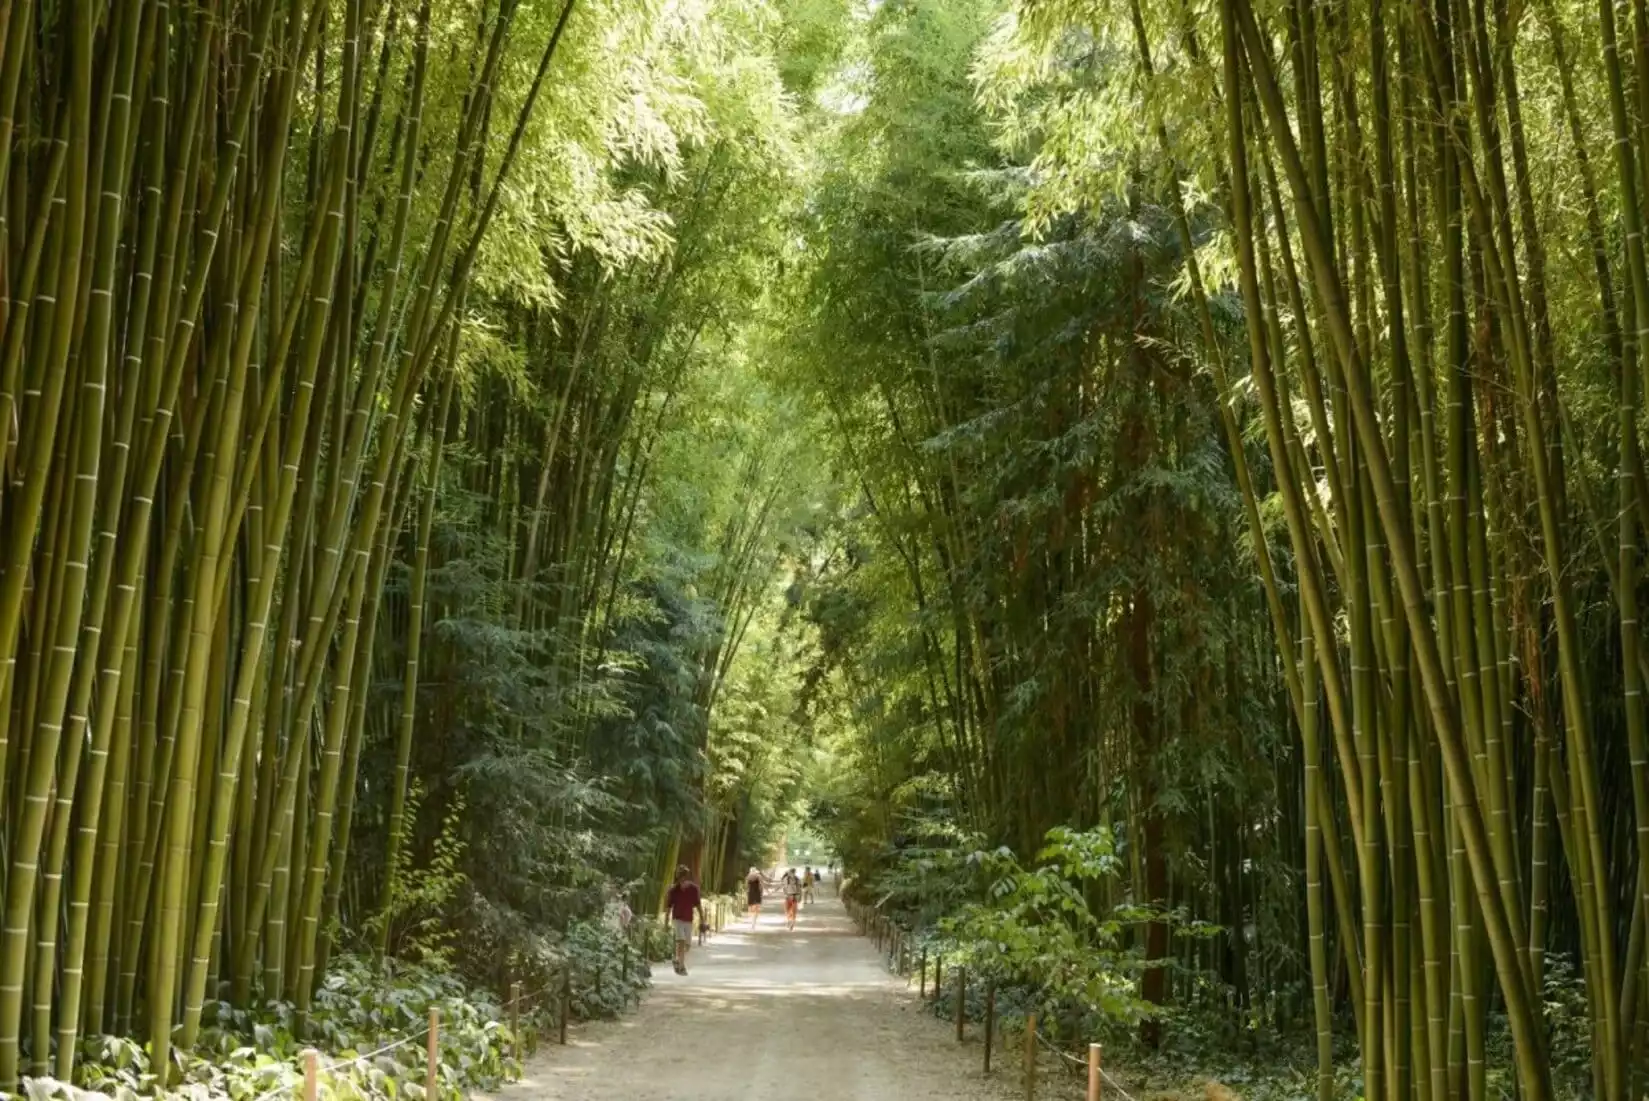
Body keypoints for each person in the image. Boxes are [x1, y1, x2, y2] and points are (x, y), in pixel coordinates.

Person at [664, 865, 705, 975]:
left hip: (688, 919)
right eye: (680, 877)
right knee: (680, 941)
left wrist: (703, 920)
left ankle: (677, 960)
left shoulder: (693, 889)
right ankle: (682, 967)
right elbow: (668, 907)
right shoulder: (673, 890)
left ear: (687, 877)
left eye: (684, 877)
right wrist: (666, 922)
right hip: (677, 919)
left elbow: (698, 905)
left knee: (687, 945)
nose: (682, 879)